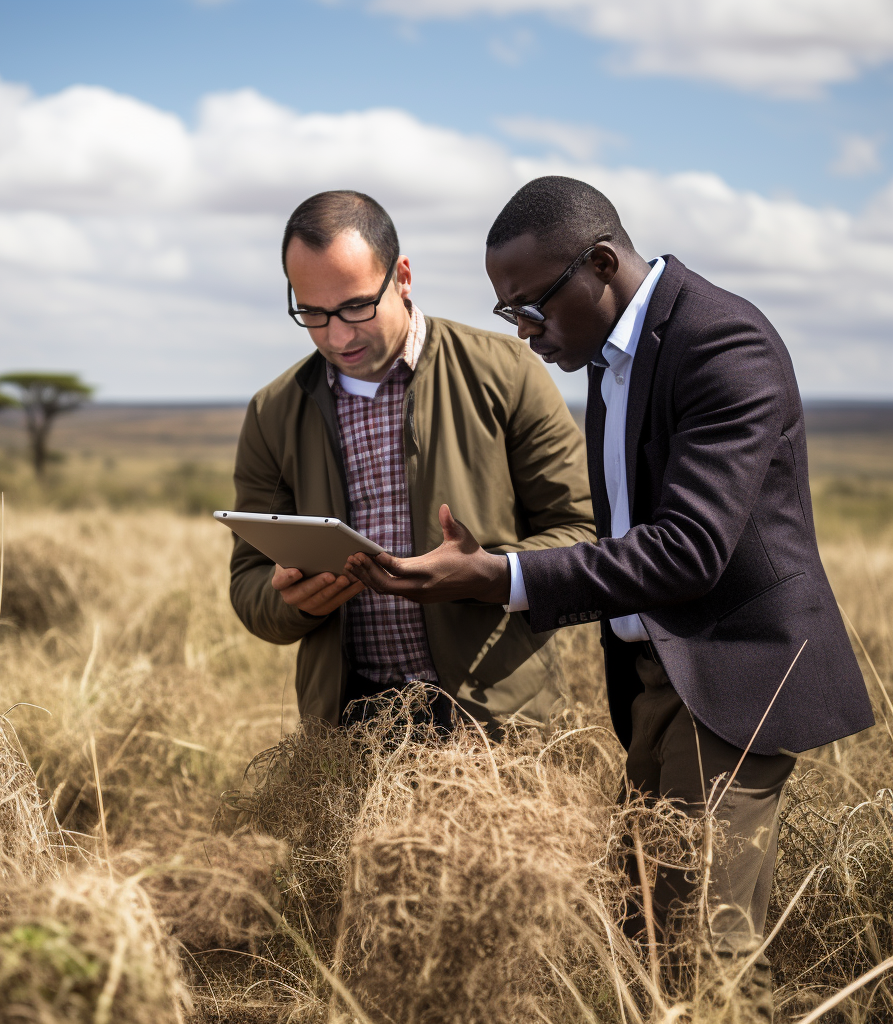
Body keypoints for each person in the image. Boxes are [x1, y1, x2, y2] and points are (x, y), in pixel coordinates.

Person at [344, 177, 874, 1015]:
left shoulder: (721, 340)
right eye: (507, 315)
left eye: (531, 309)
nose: (524, 335)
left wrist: (503, 577)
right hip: (657, 676)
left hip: (736, 680)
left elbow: (689, 550)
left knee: (711, 949)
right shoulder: (610, 355)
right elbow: (626, 532)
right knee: (643, 931)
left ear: (599, 264)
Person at [228, 189, 595, 731]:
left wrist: (489, 575)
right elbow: (249, 583)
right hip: (345, 730)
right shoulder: (272, 411)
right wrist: (295, 603)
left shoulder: (508, 371)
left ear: (401, 276)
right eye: (311, 312)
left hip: (497, 727)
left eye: (356, 306)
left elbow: (584, 531)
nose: (337, 333)